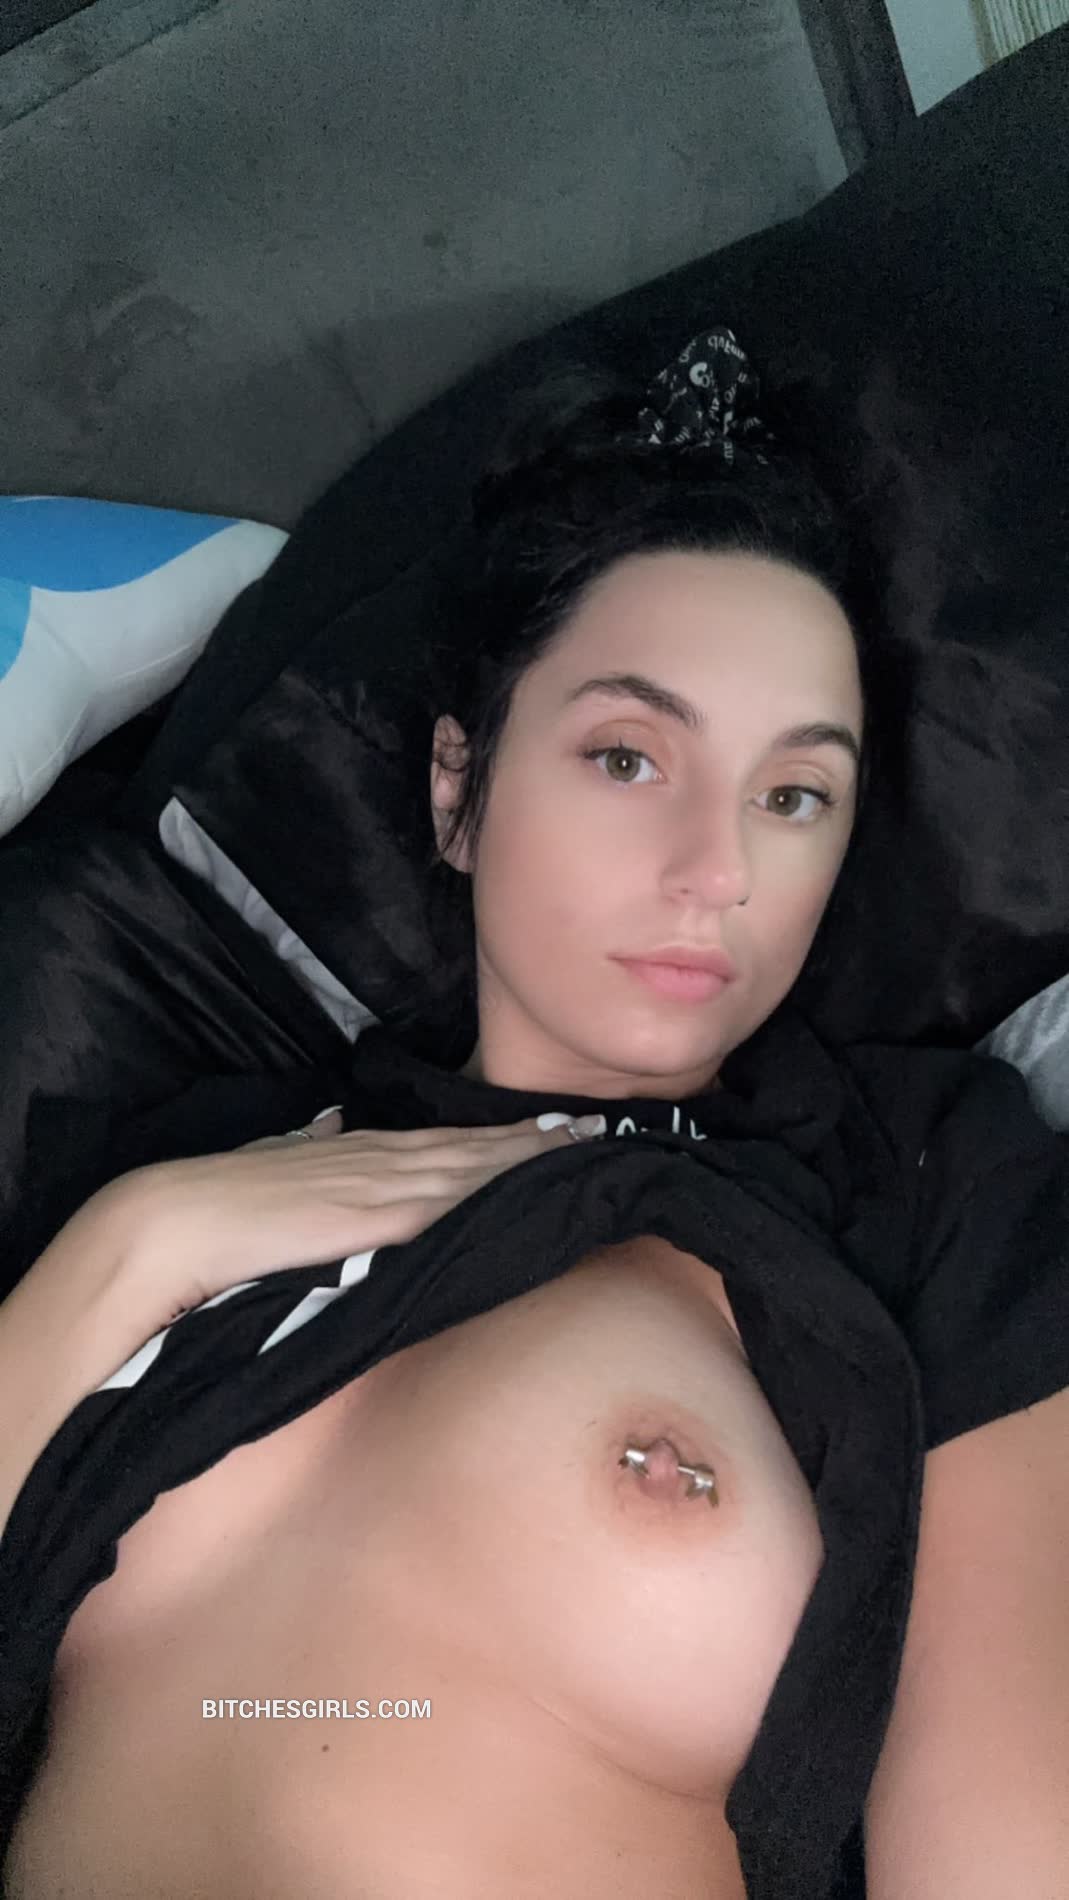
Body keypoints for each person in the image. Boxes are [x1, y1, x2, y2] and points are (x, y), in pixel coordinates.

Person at [1, 327, 1067, 1900]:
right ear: (456, 788)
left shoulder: (921, 1183)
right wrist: (134, 1241)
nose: (717, 869)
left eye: (793, 794)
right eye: (627, 756)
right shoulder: (194, 1157)